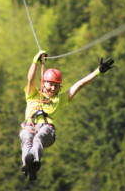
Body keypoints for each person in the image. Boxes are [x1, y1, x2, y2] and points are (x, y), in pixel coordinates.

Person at [19, 50, 114, 181]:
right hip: (30, 127)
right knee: (26, 137)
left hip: (46, 130)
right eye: (51, 84)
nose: (53, 88)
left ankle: (34, 162)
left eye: (56, 86)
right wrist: (35, 62)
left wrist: (97, 72)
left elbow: (79, 85)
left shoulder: (61, 100)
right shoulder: (32, 95)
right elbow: (30, 79)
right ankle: (28, 167)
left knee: (38, 138)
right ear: (44, 83)